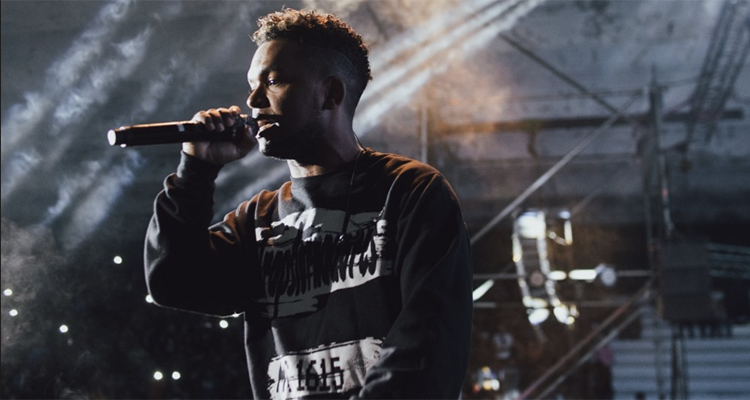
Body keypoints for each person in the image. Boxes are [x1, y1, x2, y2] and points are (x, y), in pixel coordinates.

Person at [144, 8, 473, 400]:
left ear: (330, 93)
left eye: (273, 81)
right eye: (252, 85)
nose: (253, 100)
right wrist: (196, 171)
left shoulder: (409, 191)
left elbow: (426, 346)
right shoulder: (256, 221)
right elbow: (173, 282)